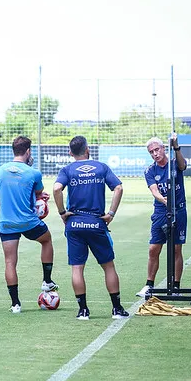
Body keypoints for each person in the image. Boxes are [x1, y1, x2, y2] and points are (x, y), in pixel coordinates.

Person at [52, 135, 128, 320]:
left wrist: (62, 212)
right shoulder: (101, 167)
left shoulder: (67, 169)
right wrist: (111, 213)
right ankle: (116, 309)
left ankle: (83, 310)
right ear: (87, 149)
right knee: (108, 266)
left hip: (75, 223)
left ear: (70, 152)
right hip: (96, 222)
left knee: (77, 268)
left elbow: (56, 189)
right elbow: (118, 188)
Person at [0, 136, 58, 314]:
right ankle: (47, 280)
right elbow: (38, 194)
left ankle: (15, 304)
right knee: (47, 240)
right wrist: (41, 198)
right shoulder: (33, 173)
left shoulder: (0, 171)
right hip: (28, 221)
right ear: (28, 151)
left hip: (7, 223)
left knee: (10, 262)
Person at [137, 134, 188, 298]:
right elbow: (154, 191)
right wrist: (164, 200)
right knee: (153, 249)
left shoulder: (174, 163)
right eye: (151, 152)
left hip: (179, 210)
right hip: (160, 211)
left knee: (176, 249)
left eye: (156, 150)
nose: (154, 154)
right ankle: (149, 285)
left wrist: (176, 147)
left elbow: (184, 166)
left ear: (163, 148)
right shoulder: (150, 170)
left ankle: (176, 286)